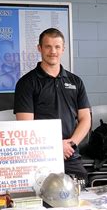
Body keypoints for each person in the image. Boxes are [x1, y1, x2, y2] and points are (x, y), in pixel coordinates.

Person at [14, 28, 91, 186]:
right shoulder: (26, 83)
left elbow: (85, 119)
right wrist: (55, 146)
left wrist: (71, 144)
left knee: (79, 200)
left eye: (57, 47)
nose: (53, 51)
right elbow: (25, 125)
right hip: (40, 157)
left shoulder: (76, 81)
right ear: (39, 48)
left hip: (70, 155)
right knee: (44, 204)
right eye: (48, 46)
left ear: (63, 49)